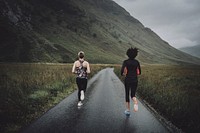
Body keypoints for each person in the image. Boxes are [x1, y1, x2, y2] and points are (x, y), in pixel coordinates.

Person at [121, 47, 141, 116]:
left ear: (128, 54)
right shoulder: (137, 62)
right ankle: (135, 101)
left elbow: (122, 72)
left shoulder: (125, 62)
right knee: (133, 95)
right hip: (135, 80)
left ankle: (128, 110)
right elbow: (139, 72)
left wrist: (124, 73)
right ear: (135, 54)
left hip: (127, 80)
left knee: (127, 94)